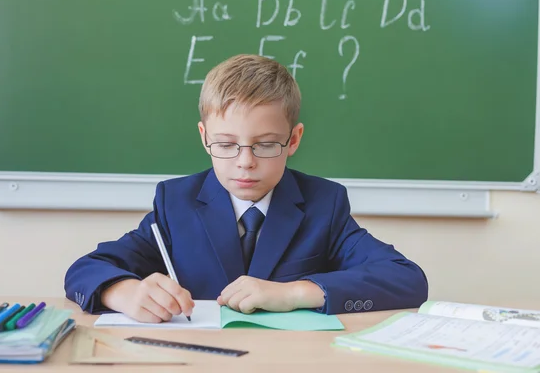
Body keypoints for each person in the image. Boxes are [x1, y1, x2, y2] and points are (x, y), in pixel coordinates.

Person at [64, 54, 428, 323]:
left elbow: (407, 279)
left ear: (294, 139)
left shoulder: (323, 204)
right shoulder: (176, 204)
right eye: (226, 145)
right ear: (205, 138)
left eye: (266, 144)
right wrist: (124, 292)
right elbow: (86, 269)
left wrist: (295, 292)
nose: (245, 162)